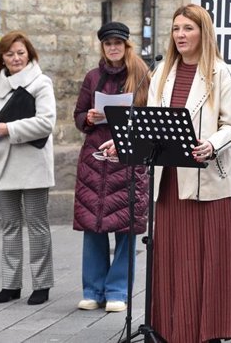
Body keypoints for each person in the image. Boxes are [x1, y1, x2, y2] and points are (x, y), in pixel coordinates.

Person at [148, 4, 231, 342]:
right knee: (172, 257)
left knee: (208, 260)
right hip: (170, 180)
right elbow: (151, 124)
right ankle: (171, 328)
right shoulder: (160, 73)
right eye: (176, 29)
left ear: (204, 32)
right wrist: (122, 145)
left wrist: (212, 143)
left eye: (188, 28)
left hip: (208, 182)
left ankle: (209, 332)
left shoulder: (221, 73)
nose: (180, 35)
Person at [72, 22, 150, 313]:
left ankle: (117, 291)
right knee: (93, 227)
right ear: (102, 47)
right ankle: (92, 290)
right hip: (95, 160)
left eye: (118, 43)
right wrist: (89, 118)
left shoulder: (141, 76)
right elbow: (78, 115)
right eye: (108, 44)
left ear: (126, 46)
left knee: (126, 229)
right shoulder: (93, 77)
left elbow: (149, 117)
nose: (113, 48)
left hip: (127, 159)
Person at [0, 31, 56, 305]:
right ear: (2, 57)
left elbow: (46, 122)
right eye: (9, 53)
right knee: (9, 225)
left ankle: (42, 284)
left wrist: (7, 128)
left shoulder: (41, 82)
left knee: (36, 225)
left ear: (30, 54)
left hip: (33, 162)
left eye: (21, 52)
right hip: (4, 161)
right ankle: (10, 285)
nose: (15, 58)